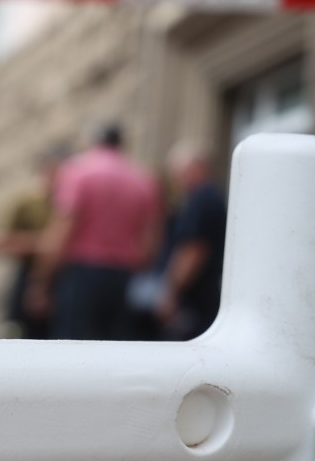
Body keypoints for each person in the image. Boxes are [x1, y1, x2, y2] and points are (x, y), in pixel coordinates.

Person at [31, 123, 161, 341]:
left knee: (73, 349)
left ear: (92, 142)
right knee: (114, 351)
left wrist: (41, 283)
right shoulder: (144, 179)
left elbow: (61, 232)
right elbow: (151, 242)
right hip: (123, 277)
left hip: (81, 274)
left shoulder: (77, 172)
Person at [0, 146, 67, 339]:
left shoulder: (68, 205)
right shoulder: (26, 202)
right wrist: (39, 243)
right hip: (27, 275)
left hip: (61, 279)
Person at [156, 140, 227, 340]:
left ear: (196, 167)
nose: (176, 180)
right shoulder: (210, 197)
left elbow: (193, 250)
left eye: (178, 172)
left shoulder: (203, 199)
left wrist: (170, 293)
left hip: (196, 301)